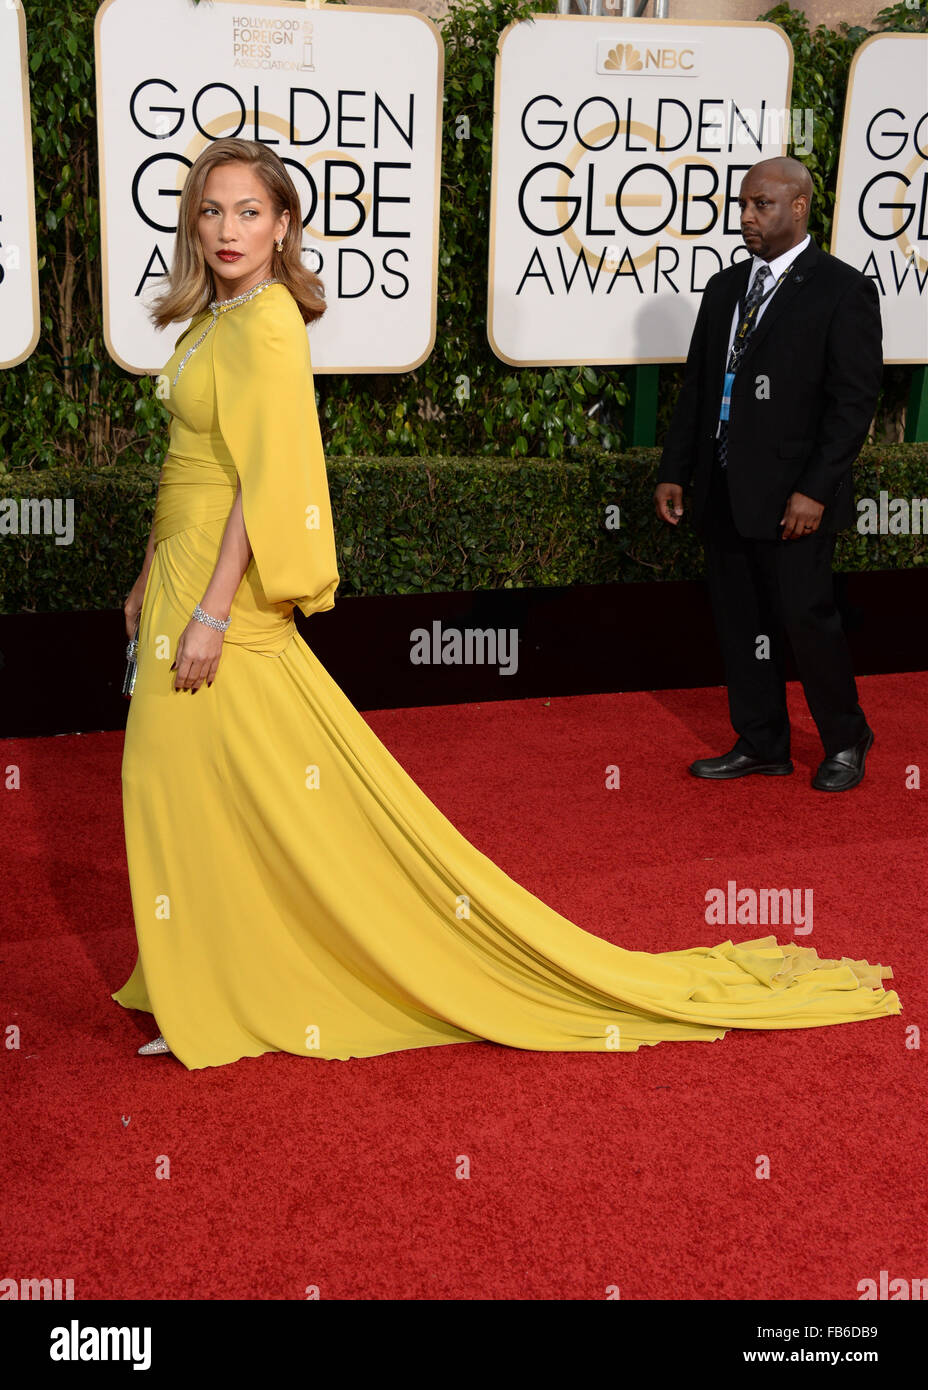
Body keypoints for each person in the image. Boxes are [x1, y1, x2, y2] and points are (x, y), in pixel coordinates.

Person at [113, 138, 899, 1068]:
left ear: (285, 223)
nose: (229, 229)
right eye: (212, 211)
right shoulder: (212, 318)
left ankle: (236, 985)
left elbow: (262, 475)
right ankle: (209, 974)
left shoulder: (269, 320)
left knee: (223, 788)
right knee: (200, 789)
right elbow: (186, 468)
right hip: (180, 575)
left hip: (220, 593)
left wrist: (209, 610)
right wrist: (146, 575)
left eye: (250, 211)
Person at [654, 156, 882, 793]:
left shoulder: (842, 290)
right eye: (744, 205)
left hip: (795, 497)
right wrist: (676, 470)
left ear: (800, 206)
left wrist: (815, 489)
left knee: (807, 621)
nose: (747, 217)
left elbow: (853, 403)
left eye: (762, 205)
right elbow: (699, 386)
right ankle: (761, 742)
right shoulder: (725, 287)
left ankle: (845, 737)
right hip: (723, 486)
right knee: (740, 621)